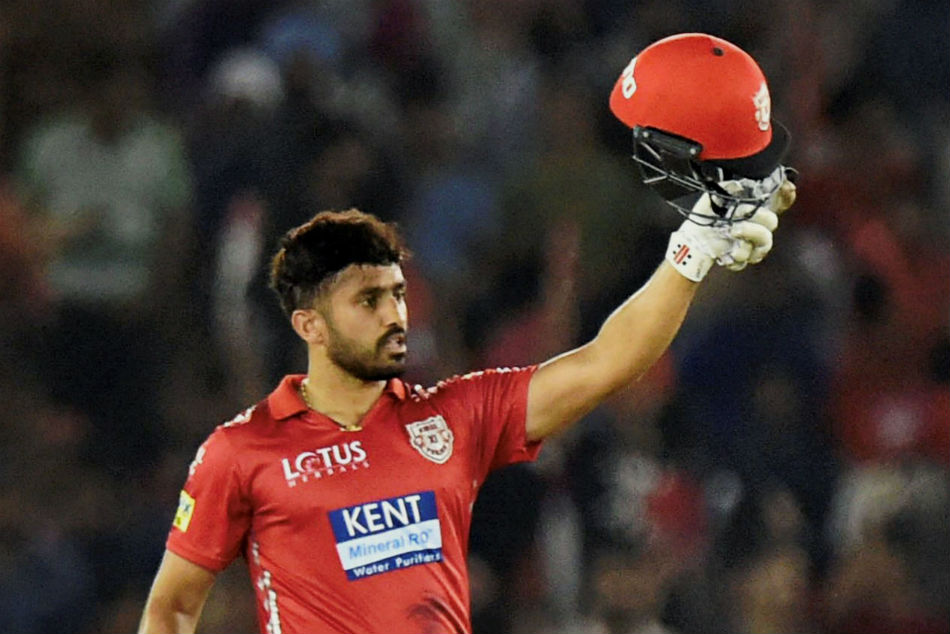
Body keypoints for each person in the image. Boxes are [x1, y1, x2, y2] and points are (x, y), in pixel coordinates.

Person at [139, 33, 797, 634]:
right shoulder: (242, 452)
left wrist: (693, 248)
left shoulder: (451, 421)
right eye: (367, 300)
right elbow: (172, 607)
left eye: (397, 295)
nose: (395, 315)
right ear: (309, 323)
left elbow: (608, 361)